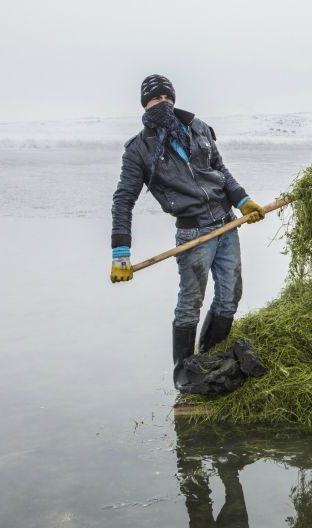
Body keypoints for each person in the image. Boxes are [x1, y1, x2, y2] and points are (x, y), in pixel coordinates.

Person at [109, 74, 266, 391]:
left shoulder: (199, 128)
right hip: (193, 234)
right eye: (155, 100)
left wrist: (244, 201)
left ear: (174, 99)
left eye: (167, 98)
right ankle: (183, 372)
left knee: (229, 297)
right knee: (190, 302)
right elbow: (123, 201)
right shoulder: (138, 150)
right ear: (145, 105)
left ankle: (211, 358)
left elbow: (220, 170)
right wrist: (120, 253)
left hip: (226, 223)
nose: (162, 104)